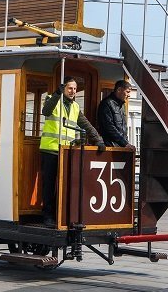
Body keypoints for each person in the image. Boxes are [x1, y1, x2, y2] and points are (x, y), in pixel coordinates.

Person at [40, 77, 105, 227]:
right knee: (49, 185)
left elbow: (86, 124)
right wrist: (57, 93)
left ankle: (60, 215)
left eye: (75, 89)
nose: (73, 91)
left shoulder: (75, 107)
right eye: (70, 88)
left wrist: (98, 139)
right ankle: (47, 215)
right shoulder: (53, 99)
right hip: (50, 149)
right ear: (63, 88)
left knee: (65, 184)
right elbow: (46, 111)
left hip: (66, 152)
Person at [97, 80, 135, 149]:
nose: (129, 95)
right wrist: (125, 143)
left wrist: (126, 143)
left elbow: (124, 129)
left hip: (120, 147)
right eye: (127, 92)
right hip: (110, 147)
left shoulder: (122, 106)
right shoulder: (107, 104)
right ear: (119, 90)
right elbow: (109, 127)